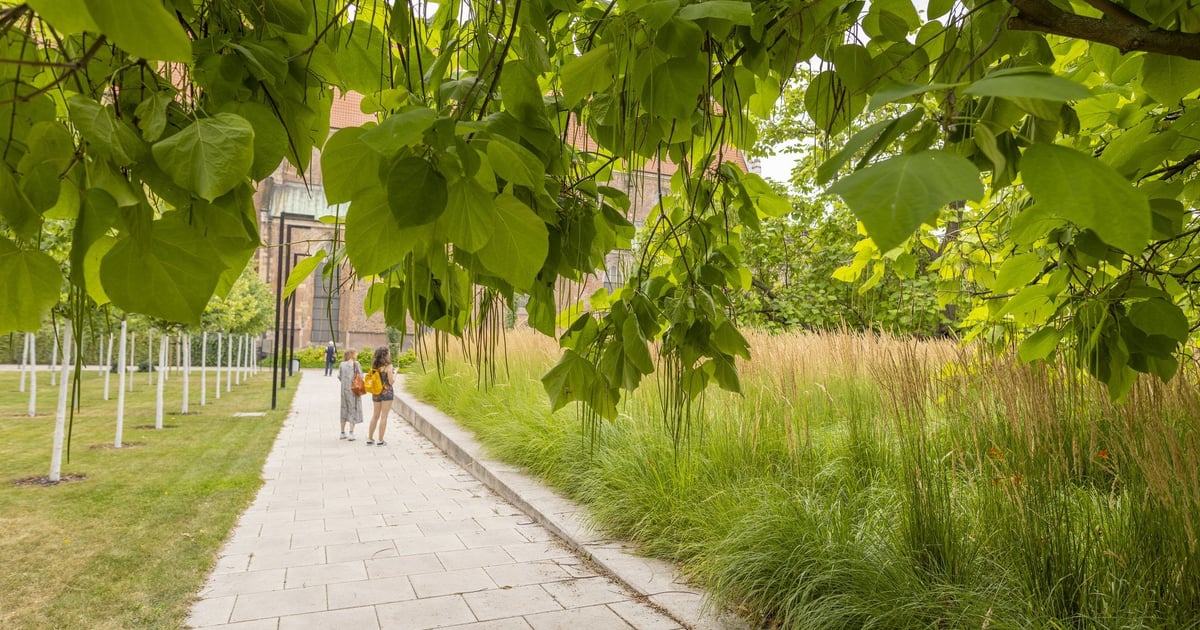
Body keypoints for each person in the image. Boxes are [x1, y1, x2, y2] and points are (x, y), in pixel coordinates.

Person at [365, 346, 395, 446]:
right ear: (385, 354)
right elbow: (391, 381)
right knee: (384, 416)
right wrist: (395, 376)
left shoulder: (375, 366)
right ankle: (380, 440)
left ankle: (370, 438)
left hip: (376, 392)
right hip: (387, 393)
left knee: (375, 415)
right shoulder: (389, 366)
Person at [336, 350, 362, 441]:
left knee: (343, 408)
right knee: (352, 409)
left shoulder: (342, 364)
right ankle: (351, 433)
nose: (357, 354)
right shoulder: (356, 364)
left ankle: (342, 432)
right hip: (353, 390)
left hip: (343, 390)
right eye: (355, 353)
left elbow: (339, 376)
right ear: (352, 355)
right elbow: (361, 376)